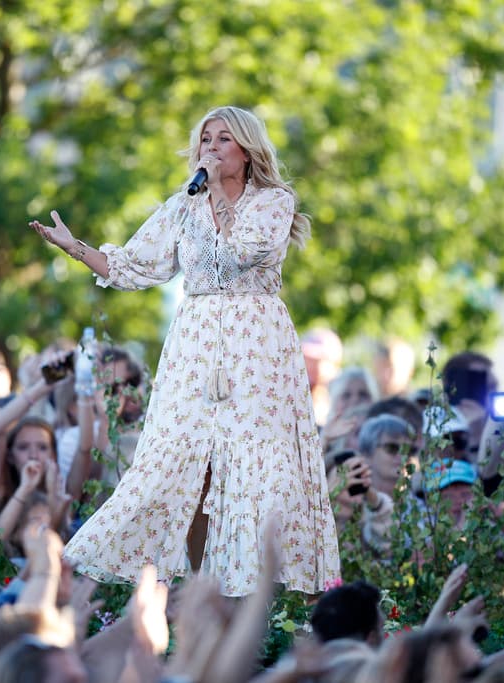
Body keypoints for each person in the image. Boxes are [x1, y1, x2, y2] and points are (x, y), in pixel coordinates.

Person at [29, 105, 340, 596]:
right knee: (186, 466)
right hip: (194, 345)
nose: (210, 149)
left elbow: (244, 252)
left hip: (256, 345)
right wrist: (74, 247)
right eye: (205, 141)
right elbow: (133, 267)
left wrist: (217, 194)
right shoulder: (182, 205)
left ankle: (260, 600)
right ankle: (194, 592)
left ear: (246, 149)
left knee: (255, 475)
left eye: (222, 140)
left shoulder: (274, 201)